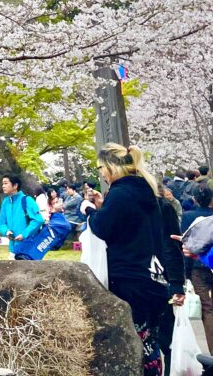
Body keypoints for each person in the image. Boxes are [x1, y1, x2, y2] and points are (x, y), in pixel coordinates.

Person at [87, 144, 175, 374]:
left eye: (101, 168)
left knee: (130, 348)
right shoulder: (147, 190)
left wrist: (90, 211)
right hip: (154, 279)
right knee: (148, 346)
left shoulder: (121, 192)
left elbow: (102, 227)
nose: (101, 174)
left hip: (129, 280)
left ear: (111, 167)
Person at [155, 183, 186, 369]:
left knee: (166, 338)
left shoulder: (163, 208)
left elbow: (172, 247)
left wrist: (176, 284)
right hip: (149, 278)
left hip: (161, 278)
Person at [181, 184, 213, 349]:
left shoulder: (188, 217)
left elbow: (186, 245)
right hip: (209, 261)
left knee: (207, 308)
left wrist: (185, 274)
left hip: (196, 266)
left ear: (194, 199)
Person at [0, 174, 45, 259]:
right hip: (12, 248)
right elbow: (1, 223)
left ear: (15, 185)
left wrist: (24, 234)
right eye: (2, 184)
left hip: (28, 247)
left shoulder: (27, 200)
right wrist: (6, 231)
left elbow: (38, 220)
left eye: (5, 183)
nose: (3, 186)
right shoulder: (5, 202)